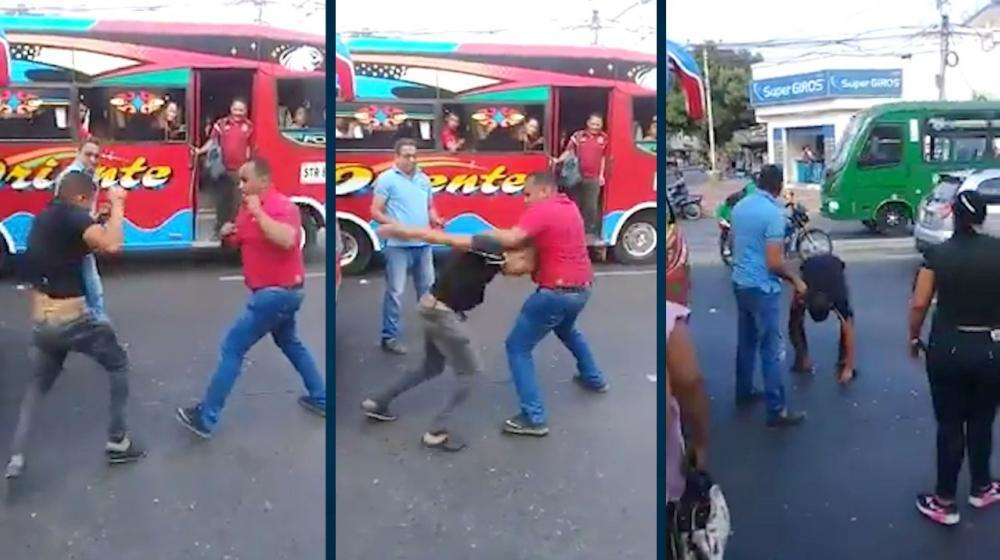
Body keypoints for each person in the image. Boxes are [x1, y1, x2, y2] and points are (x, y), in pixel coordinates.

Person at [5, 173, 144, 479]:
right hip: (72, 318)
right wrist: (118, 206)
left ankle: (16, 456)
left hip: (43, 321)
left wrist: (98, 218)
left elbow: (74, 240)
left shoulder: (45, 218)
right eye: (90, 202)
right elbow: (112, 246)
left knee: (37, 386)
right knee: (118, 364)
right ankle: (118, 441)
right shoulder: (73, 217)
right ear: (81, 198)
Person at [176, 157, 325, 438]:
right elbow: (242, 241)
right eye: (239, 181)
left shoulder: (282, 206)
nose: (241, 186)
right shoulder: (246, 210)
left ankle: (206, 417)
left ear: (264, 181)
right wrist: (227, 235)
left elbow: (287, 240)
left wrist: (259, 214)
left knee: (232, 348)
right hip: (276, 293)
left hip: (277, 293)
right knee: (290, 342)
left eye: (246, 180)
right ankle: (321, 397)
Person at [360, 224, 535, 451]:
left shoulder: (494, 259)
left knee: (431, 367)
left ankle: (377, 402)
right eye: (524, 268)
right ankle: (437, 432)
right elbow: (443, 238)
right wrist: (400, 230)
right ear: (518, 253)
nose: (521, 274)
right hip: (442, 314)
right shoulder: (491, 248)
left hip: (432, 308)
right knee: (472, 374)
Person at [480, 171, 607, 436]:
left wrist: (480, 236)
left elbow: (514, 238)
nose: (525, 200)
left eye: (528, 194)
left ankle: (533, 417)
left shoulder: (544, 209)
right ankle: (594, 378)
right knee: (566, 329)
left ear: (545, 191)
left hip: (555, 293)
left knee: (517, 347)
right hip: (582, 288)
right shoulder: (569, 206)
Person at [909, 189, 1000, 525]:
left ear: (955, 217)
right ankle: (982, 487)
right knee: (982, 419)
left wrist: (913, 337)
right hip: (992, 348)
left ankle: (945, 500)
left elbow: (919, 303)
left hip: (949, 347)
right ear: (981, 216)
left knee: (950, 424)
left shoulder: (938, 254)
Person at [730, 164, 807, 427]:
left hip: (740, 283)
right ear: (779, 186)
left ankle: (744, 391)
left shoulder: (740, 207)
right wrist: (795, 280)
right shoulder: (773, 214)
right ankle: (777, 410)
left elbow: (733, 245)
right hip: (763, 288)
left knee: (747, 341)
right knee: (771, 349)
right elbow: (774, 262)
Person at [371, 138, 443, 355]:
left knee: (428, 292)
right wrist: (394, 225)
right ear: (397, 157)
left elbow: (429, 206)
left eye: (414, 155)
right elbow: (375, 211)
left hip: (423, 244)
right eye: (406, 155)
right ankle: (390, 337)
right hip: (397, 246)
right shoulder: (386, 180)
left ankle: (434, 337)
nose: (411, 159)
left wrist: (436, 219)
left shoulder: (423, 179)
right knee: (395, 292)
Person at [55, 138, 109, 324]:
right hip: (74, 241)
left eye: (97, 156)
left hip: (78, 240)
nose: (93, 159)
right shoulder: (71, 177)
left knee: (81, 285)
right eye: (88, 154)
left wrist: (97, 218)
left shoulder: (88, 175)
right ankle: (99, 326)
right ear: (78, 152)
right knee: (93, 288)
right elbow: (66, 213)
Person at [789, 253, 857, 384]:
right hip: (809, 265)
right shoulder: (803, 295)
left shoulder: (838, 297)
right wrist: (802, 357)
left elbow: (848, 329)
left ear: (831, 306)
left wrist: (849, 368)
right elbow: (794, 321)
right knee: (795, 317)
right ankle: (802, 357)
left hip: (834, 265)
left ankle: (843, 358)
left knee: (847, 319)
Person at [195, 98, 254, 238]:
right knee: (222, 201)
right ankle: (219, 230)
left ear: (245, 111)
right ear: (231, 109)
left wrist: (248, 166)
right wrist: (199, 151)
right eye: (236, 109)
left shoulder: (249, 126)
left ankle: (235, 232)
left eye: (241, 110)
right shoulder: (222, 124)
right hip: (223, 169)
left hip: (240, 171)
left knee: (237, 202)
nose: (238, 113)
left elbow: (250, 147)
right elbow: (212, 141)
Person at [554, 113, 609, 240]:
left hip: (593, 178)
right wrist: (558, 161)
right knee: (575, 204)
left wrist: (601, 175)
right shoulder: (578, 136)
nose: (595, 127)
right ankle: (573, 230)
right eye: (593, 123)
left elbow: (604, 158)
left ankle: (587, 232)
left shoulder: (604, 138)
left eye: (598, 124)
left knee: (591, 206)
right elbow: (569, 151)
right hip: (576, 176)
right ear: (587, 123)